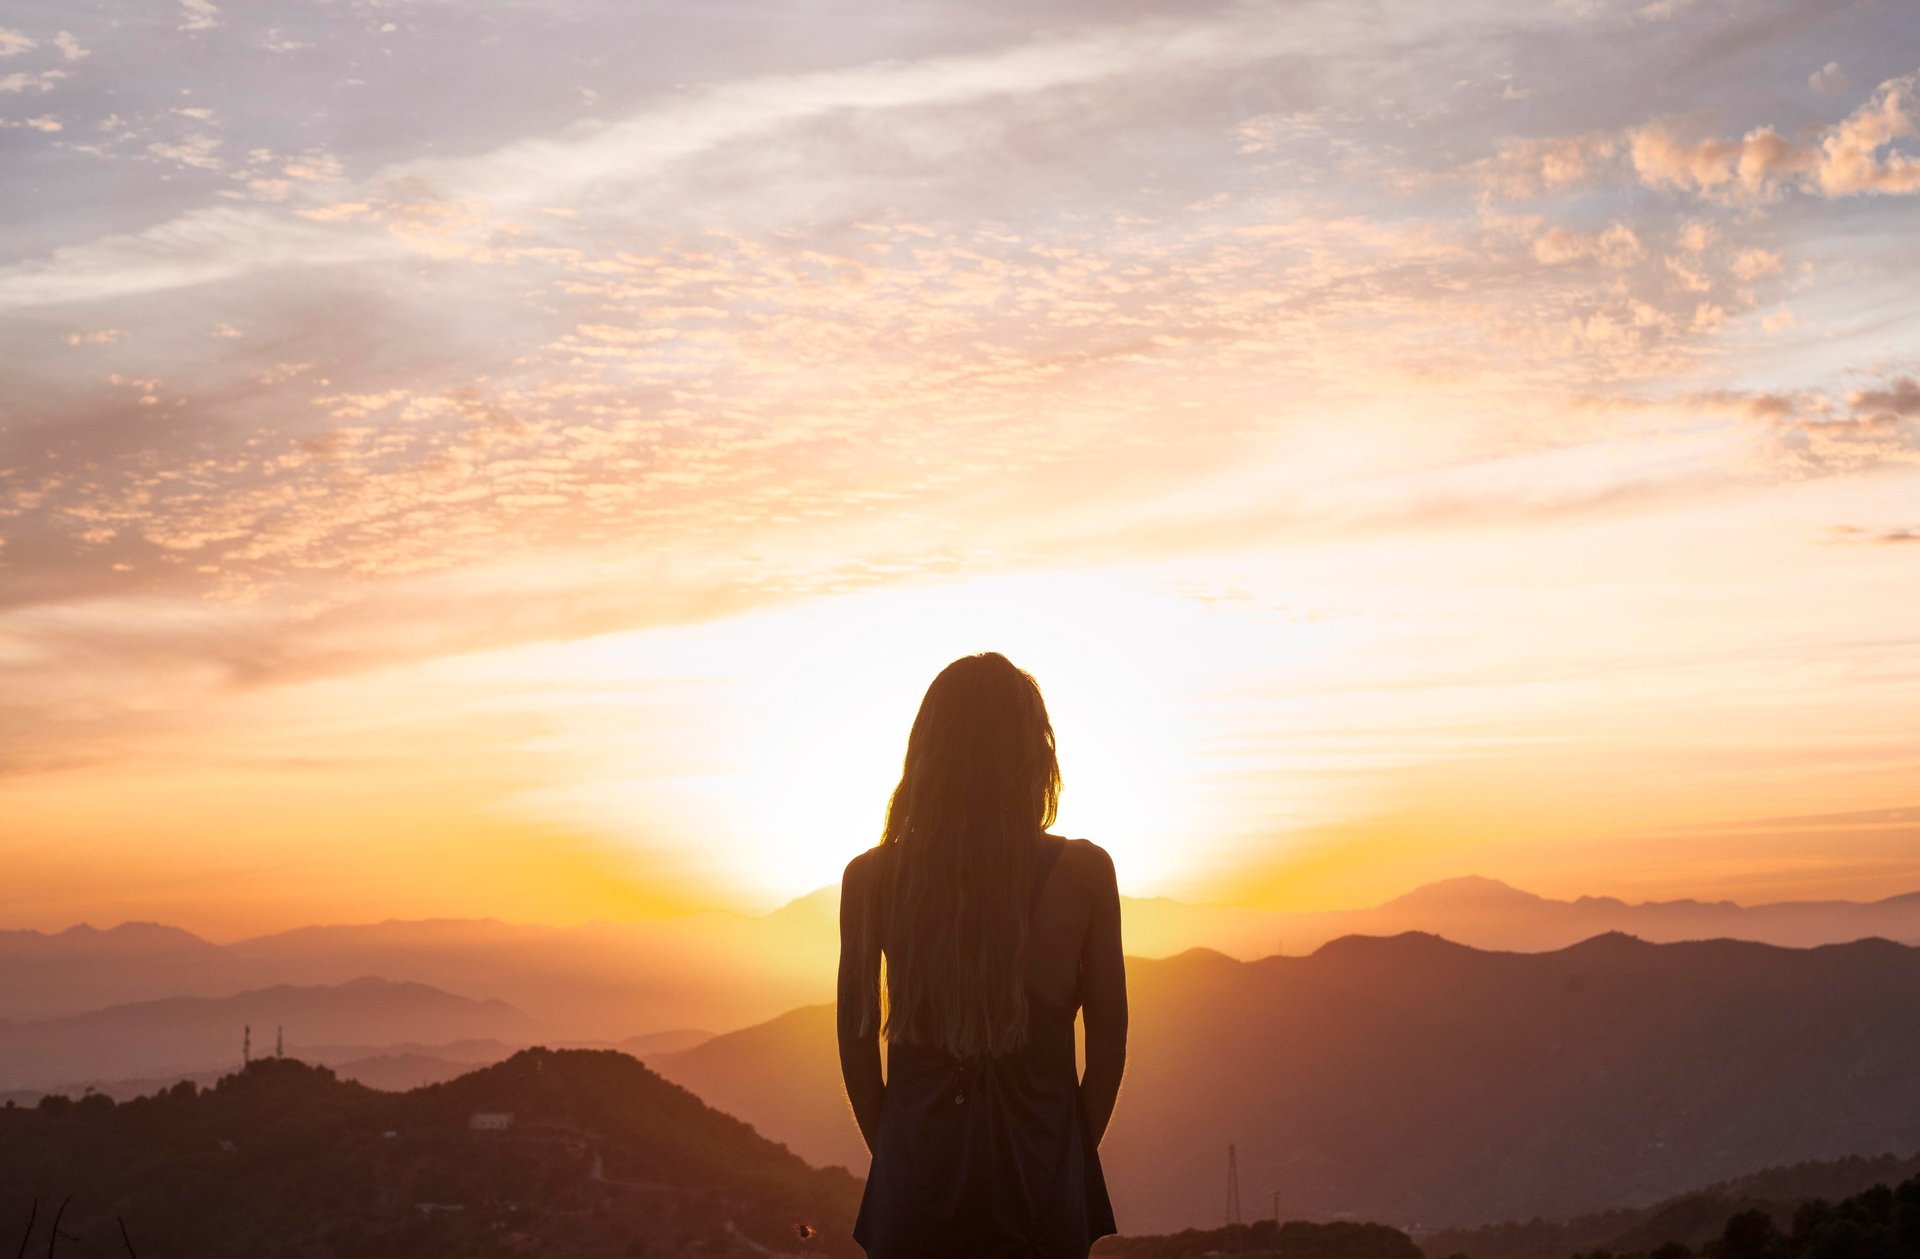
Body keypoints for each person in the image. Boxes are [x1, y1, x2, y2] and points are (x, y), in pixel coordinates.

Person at [837, 651, 1126, 1259]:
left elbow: (857, 1047)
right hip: (1040, 1183)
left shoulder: (871, 880)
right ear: (1031, 752)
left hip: (915, 1184)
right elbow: (1109, 1043)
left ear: (927, 752)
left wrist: (899, 1157)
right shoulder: (1084, 874)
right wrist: (1065, 1155)